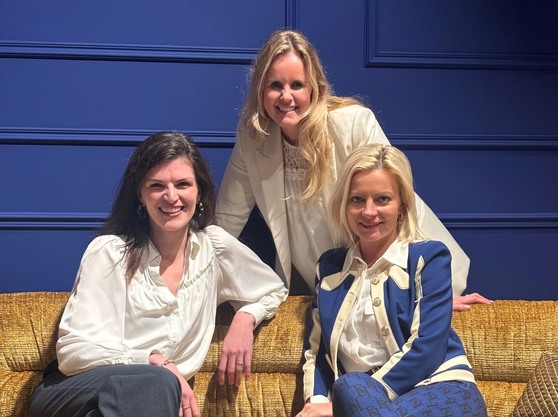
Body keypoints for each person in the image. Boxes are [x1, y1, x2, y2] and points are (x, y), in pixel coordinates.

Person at [215, 29, 490, 311]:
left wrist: (428, 290)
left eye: (297, 84)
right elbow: (227, 219)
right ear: (260, 90)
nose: (286, 96)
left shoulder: (353, 124)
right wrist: (198, 284)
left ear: (314, 87)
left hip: (385, 275)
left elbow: (395, 207)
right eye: (275, 85)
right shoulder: (253, 138)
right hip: (323, 286)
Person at [26, 132, 288, 417]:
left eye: (183, 184)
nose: (171, 196)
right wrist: (154, 360)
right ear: (140, 194)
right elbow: (73, 352)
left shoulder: (214, 248)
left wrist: (245, 318)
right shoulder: (110, 252)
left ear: (199, 192)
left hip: (146, 403)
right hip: (75, 390)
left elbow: (273, 289)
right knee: (156, 383)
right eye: (157, 185)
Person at [298, 144, 487, 417]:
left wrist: (338, 408)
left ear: (402, 206)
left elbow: (428, 348)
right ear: (344, 205)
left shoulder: (429, 258)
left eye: (382, 199)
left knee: (353, 386)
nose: (368, 211)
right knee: (349, 385)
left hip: (441, 390)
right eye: (357, 199)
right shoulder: (329, 268)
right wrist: (316, 403)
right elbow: (317, 353)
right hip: (358, 401)